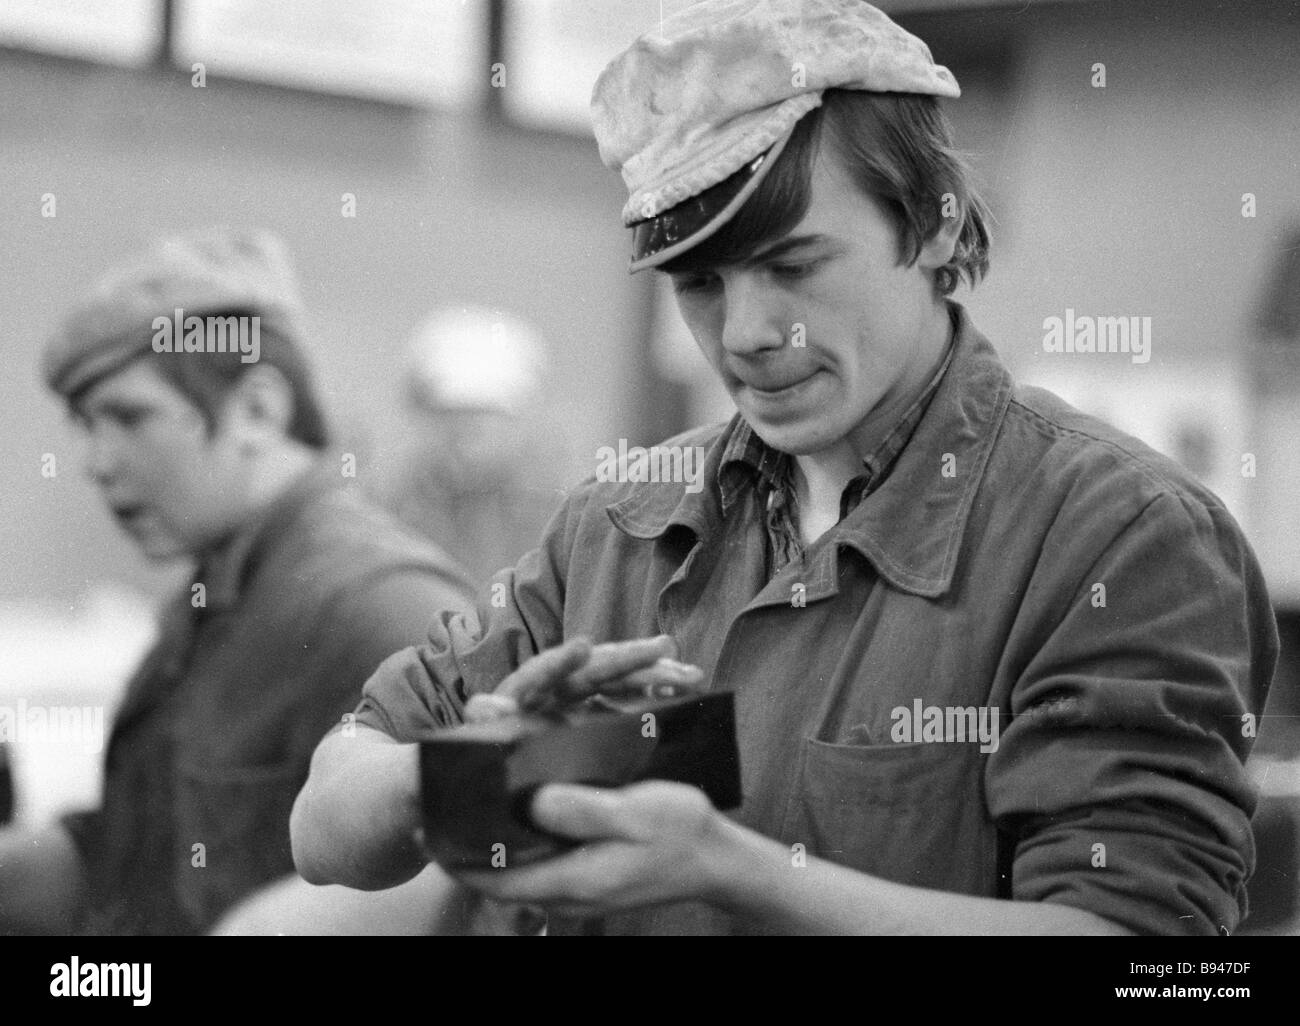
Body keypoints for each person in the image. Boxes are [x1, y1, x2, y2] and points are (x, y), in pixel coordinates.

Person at [290, 0, 1277, 936]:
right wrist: (469, 770)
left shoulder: (1113, 538)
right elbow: (327, 828)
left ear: (931, 223)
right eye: (700, 285)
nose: (750, 334)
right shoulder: (616, 519)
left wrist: (735, 869)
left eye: (796, 266)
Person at [0, 229, 476, 936]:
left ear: (256, 410)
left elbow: (468, 888)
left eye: (127, 416)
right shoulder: (209, 600)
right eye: (84, 425)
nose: (95, 462)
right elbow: (127, 862)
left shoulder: (377, 606)